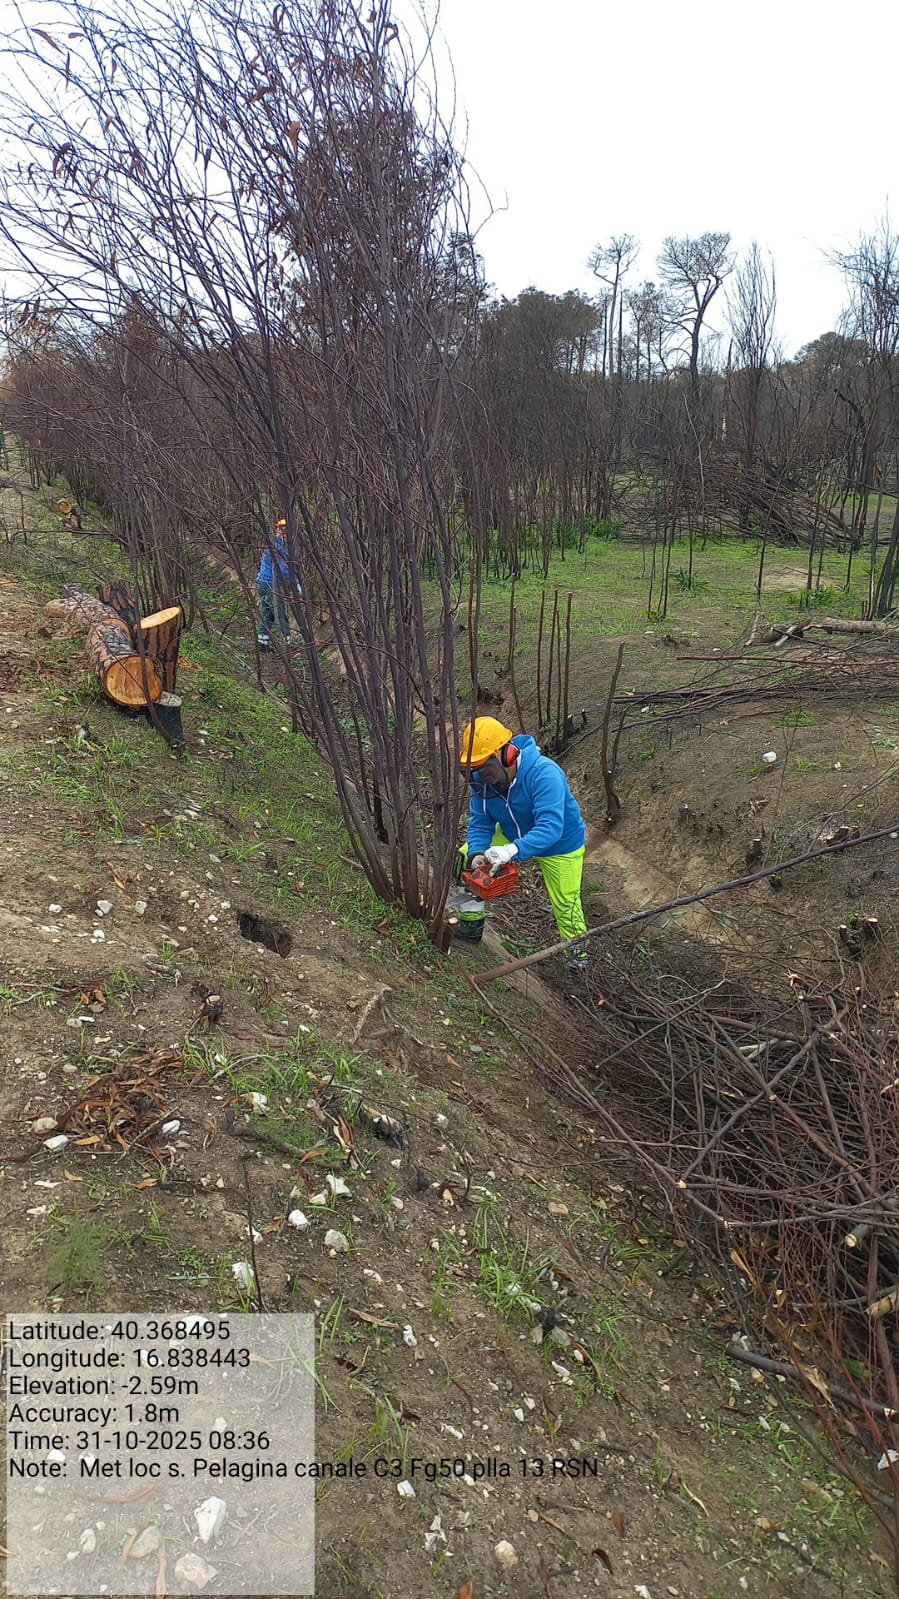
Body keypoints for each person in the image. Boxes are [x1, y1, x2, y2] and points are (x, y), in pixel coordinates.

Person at [458, 716, 589, 989]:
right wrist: (478, 852)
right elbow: (480, 822)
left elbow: (551, 827)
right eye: (475, 770)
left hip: (561, 843)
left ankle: (578, 968)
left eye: (485, 769)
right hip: (511, 832)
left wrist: (512, 850)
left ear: (507, 755)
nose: (483, 777)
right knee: (465, 856)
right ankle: (470, 925)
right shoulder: (482, 782)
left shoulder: (545, 774)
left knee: (567, 904)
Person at [256, 519, 297, 650]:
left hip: (263, 583)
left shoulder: (278, 545)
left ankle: (262, 643)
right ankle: (287, 643)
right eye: (282, 529)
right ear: (278, 530)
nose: (285, 533)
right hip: (270, 584)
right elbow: (283, 569)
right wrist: (296, 583)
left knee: (268, 613)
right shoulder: (278, 547)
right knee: (279, 613)